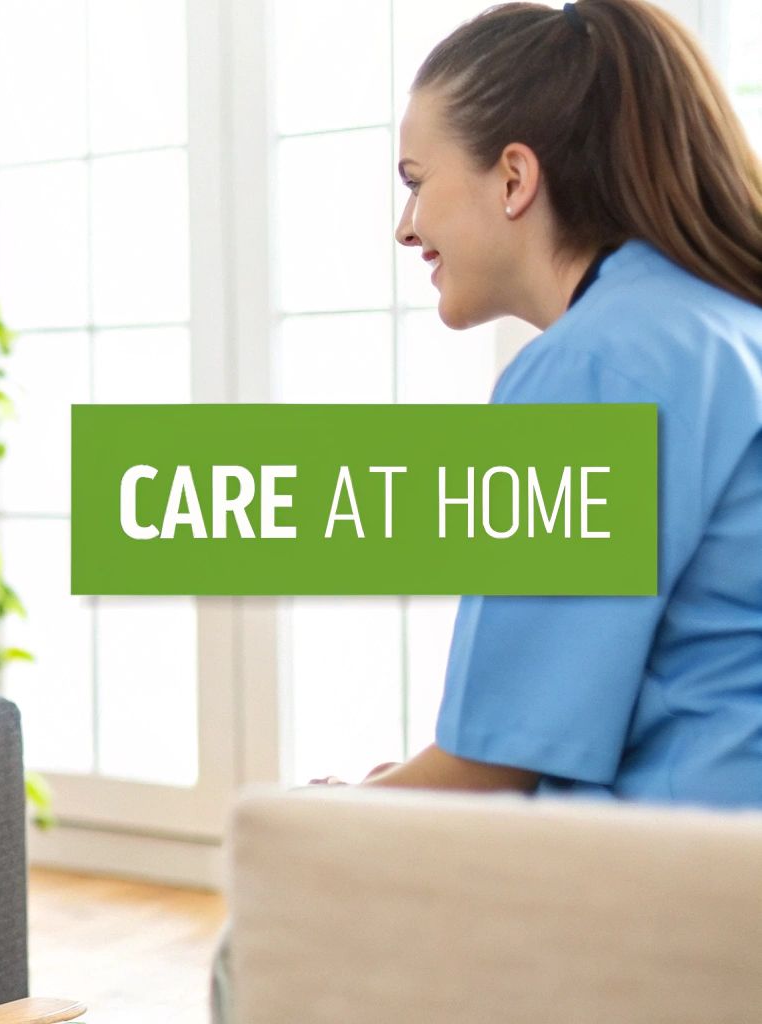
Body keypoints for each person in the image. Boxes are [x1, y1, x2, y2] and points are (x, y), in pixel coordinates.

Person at [216, 1, 762, 1017]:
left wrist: (329, 813)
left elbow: (490, 764)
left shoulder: (590, 365)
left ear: (512, 177)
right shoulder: (721, 321)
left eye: (416, 184)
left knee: (256, 931)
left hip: (692, 880)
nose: (403, 226)